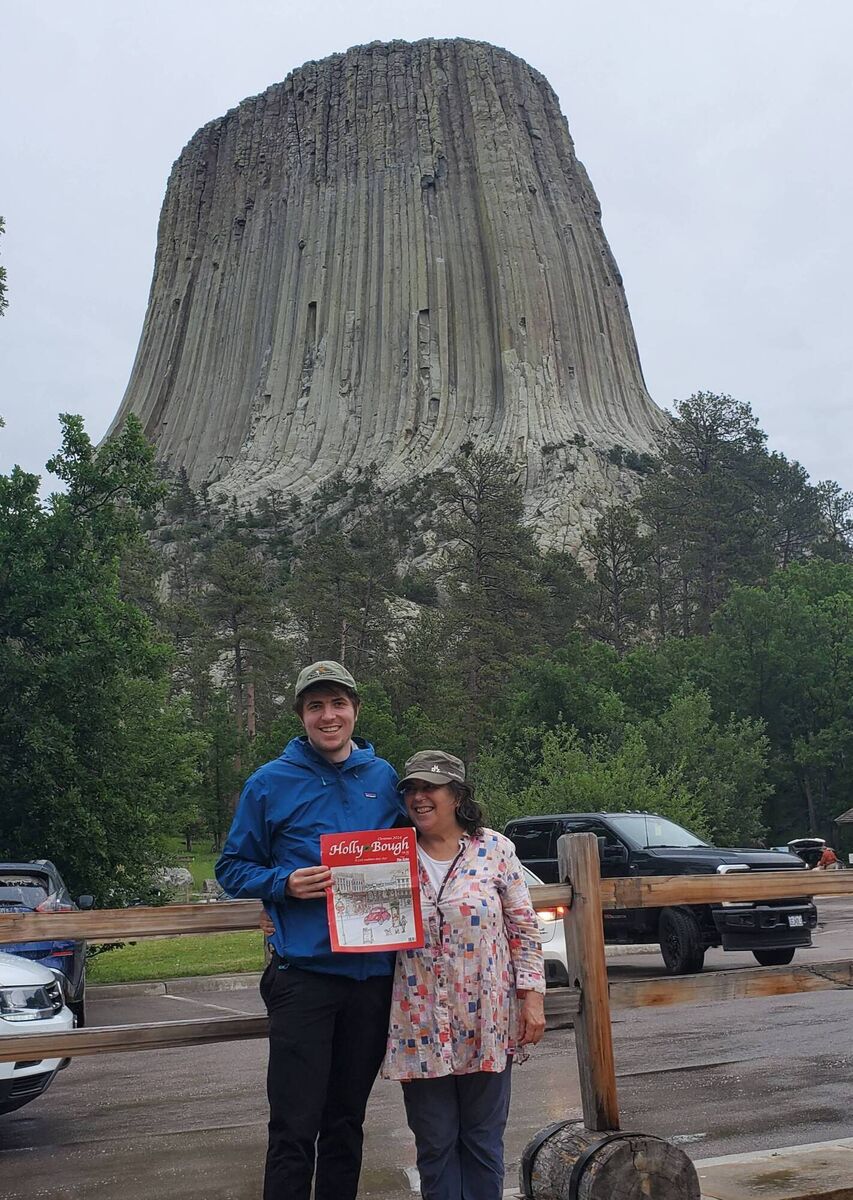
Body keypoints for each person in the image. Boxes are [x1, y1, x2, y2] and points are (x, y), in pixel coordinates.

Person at [215, 660, 404, 1200]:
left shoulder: (382, 778)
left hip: (371, 977)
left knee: (346, 1122)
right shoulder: (269, 783)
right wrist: (283, 884)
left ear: (355, 709)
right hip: (305, 978)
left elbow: (413, 848)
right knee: (294, 1126)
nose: (329, 715)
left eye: (338, 704)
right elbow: (231, 869)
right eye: (316, 706)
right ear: (301, 715)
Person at [383, 749, 546, 1200]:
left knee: (482, 1142)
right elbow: (348, 909)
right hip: (419, 1025)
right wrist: (277, 910)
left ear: (456, 794)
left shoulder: (494, 849)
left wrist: (531, 997)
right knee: (434, 1146)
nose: (418, 798)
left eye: (429, 788)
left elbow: (524, 927)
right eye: (411, 789)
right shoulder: (387, 853)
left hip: (487, 1021)